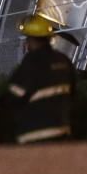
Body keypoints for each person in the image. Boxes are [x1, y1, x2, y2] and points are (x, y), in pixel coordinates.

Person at [7, 15, 75, 144]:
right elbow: (72, 94)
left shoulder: (31, 62)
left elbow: (12, 98)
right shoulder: (63, 61)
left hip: (34, 135)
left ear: (31, 39)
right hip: (62, 133)